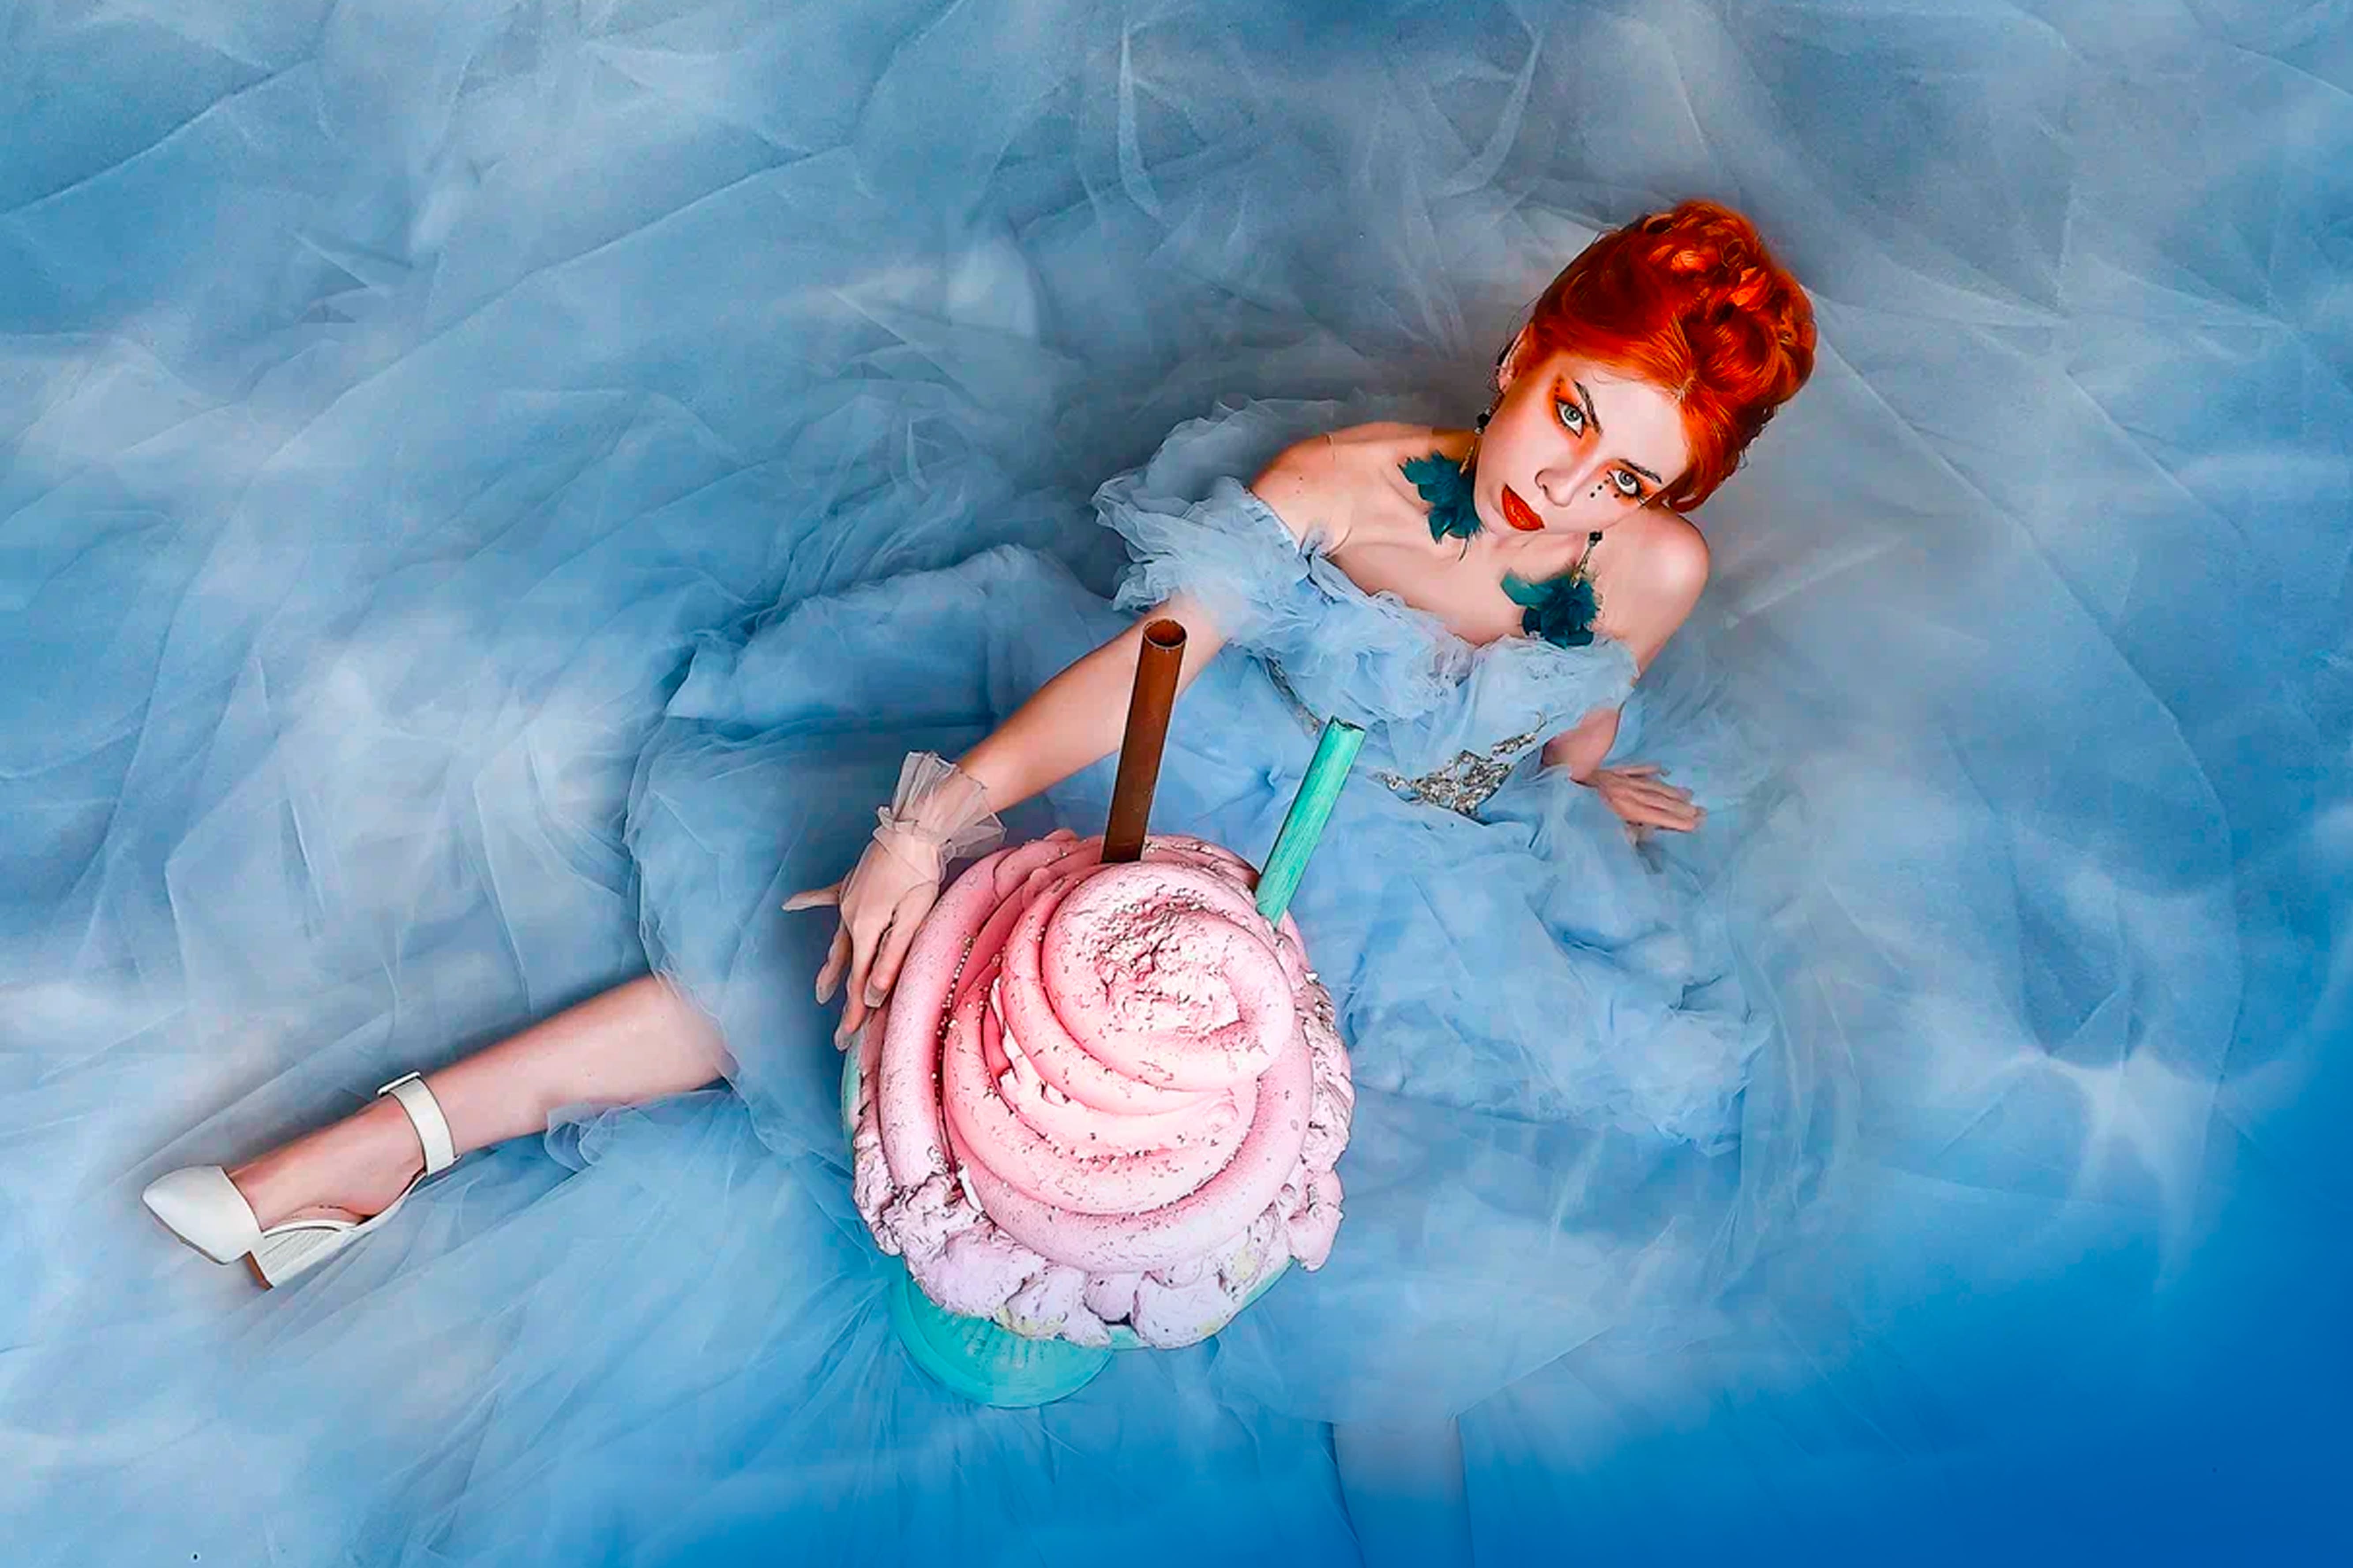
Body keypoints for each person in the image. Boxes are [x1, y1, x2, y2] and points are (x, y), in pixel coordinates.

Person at [138, 199, 1813, 1551]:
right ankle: (373, 1153)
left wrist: (1585, 788)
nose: (1566, 483)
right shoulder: (1342, 489)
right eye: (1569, 409)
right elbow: (1152, 665)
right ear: (1523, 351)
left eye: (1628, 472)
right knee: (842, 974)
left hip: (1441, 886)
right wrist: (933, 819)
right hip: (1212, 778)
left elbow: (1581, 698)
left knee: (1402, 1277)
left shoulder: (1653, 565)